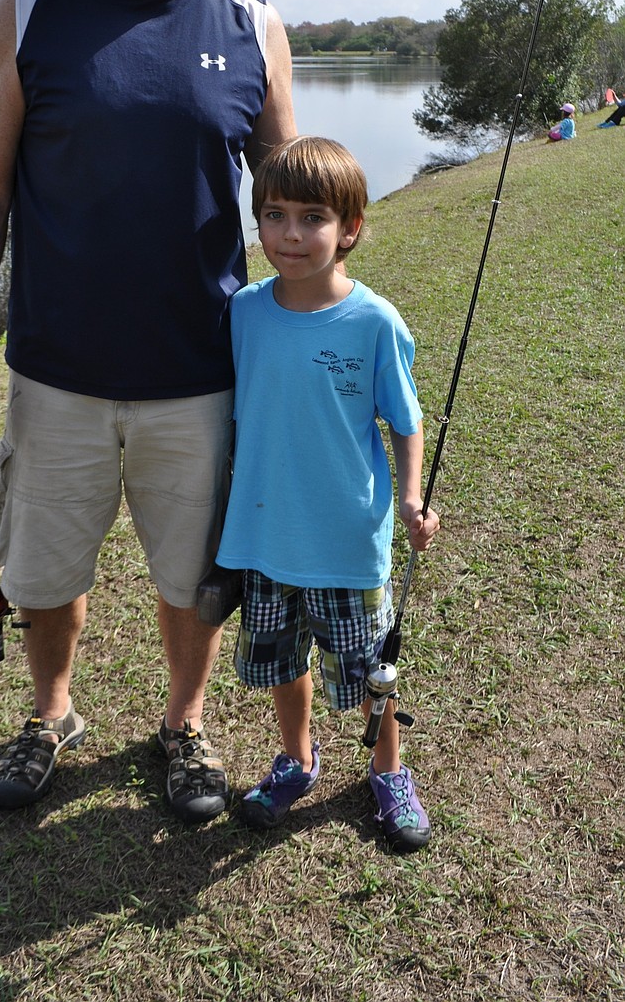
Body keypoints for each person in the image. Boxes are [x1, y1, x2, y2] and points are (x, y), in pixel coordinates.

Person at [0, 0, 296, 821]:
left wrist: (324, 353)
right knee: (45, 568)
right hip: (57, 373)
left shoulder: (253, 23)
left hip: (199, 374)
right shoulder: (32, 8)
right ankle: (51, 712)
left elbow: (290, 207)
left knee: (193, 576)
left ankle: (182, 725)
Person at [215, 136, 440, 852]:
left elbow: (406, 422)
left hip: (346, 541)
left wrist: (410, 498)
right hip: (263, 537)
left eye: (312, 217)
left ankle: (387, 770)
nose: (289, 233)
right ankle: (297, 757)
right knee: (284, 662)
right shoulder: (243, 312)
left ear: (350, 228)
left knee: (373, 669)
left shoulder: (376, 322)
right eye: (273, 214)